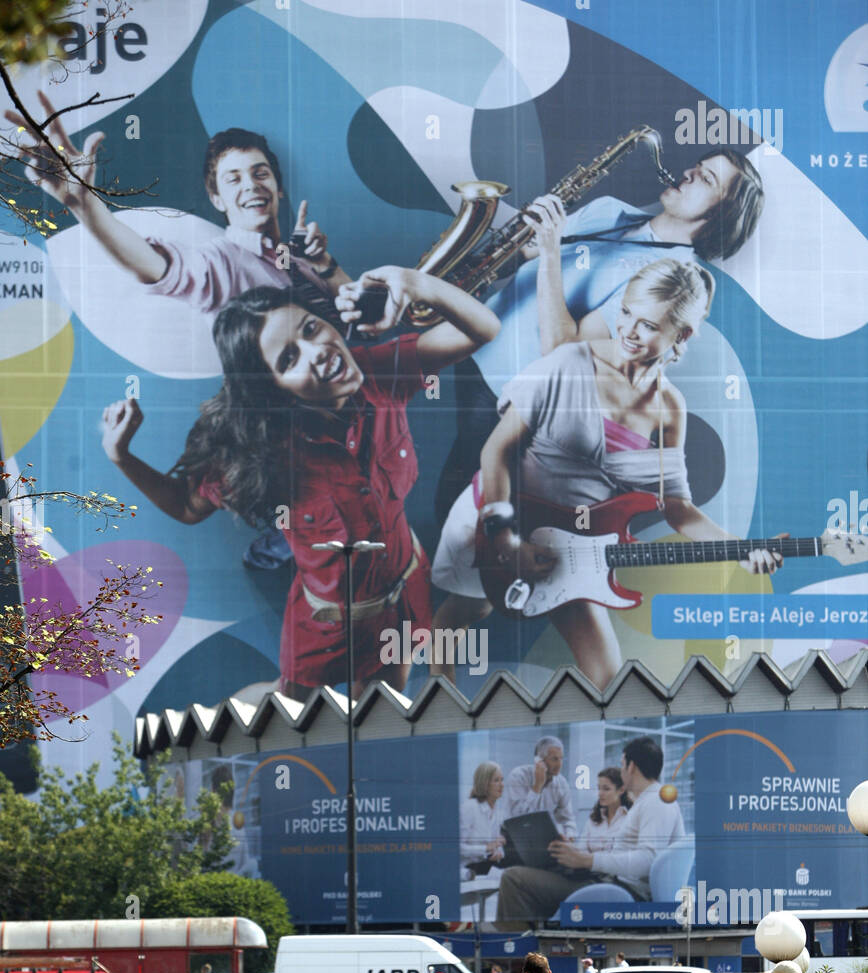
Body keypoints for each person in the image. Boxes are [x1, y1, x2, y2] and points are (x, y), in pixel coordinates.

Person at [101, 267, 499, 699]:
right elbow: (186, 507)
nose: (317, 352)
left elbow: (482, 329)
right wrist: (120, 456)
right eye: (288, 359)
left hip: (403, 597)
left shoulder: (380, 373)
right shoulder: (260, 448)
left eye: (311, 328)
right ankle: (225, 721)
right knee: (285, 712)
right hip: (325, 626)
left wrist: (417, 285)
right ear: (273, 389)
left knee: (382, 712)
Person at [434, 256, 783, 692]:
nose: (629, 331)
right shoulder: (567, 362)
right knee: (465, 612)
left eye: (649, 325)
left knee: (609, 679)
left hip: (573, 549)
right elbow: (496, 450)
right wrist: (505, 538)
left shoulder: (670, 407)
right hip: (500, 516)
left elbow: (677, 508)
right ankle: (434, 701)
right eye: (625, 313)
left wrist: (741, 548)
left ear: (683, 334)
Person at [436, 150, 764, 517]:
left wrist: (548, 252)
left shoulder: (670, 283)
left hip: (508, 394)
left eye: (707, 180)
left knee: (463, 515)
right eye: (698, 167)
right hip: (475, 351)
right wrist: (502, 248)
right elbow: (522, 254)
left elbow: (563, 350)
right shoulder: (610, 211)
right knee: (450, 496)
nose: (688, 173)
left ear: (722, 215)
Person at [11, 95, 351, 318]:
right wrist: (84, 203)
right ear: (217, 199)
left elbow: (360, 320)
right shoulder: (218, 263)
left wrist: (325, 265)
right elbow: (155, 266)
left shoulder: (299, 258)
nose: (251, 184)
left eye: (260, 173)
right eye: (233, 179)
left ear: (279, 190)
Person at [497, 737, 685, 925]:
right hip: (610, 883)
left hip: (621, 891)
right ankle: (538, 941)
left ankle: (516, 950)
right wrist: (577, 855)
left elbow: (647, 860)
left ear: (632, 766)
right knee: (541, 870)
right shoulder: (648, 800)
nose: (621, 771)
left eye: (622, 765)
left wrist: (588, 860)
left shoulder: (656, 801)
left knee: (514, 879)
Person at [503, 736, 577, 840]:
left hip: (542, 840)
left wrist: (569, 835)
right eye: (555, 759)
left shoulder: (561, 783)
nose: (560, 764)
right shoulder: (518, 776)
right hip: (516, 838)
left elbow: (567, 819)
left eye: (561, 758)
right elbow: (519, 819)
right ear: (539, 761)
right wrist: (537, 786)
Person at [460, 763, 506, 877]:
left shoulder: (497, 812)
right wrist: (486, 848)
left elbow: (496, 845)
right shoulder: (469, 807)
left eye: (502, 780)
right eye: (496, 781)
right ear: (485, 784)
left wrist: (498, 852)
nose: (502, 785)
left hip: (486, 866)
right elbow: (457, 848)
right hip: (467, 869)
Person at [576, 769, 630, 853]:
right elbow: (580, 850)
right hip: (586, 865)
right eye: (599, 788)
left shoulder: (629, 818)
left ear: (621, 790)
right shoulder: (594, 818)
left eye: (606, 789)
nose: (600, 793)